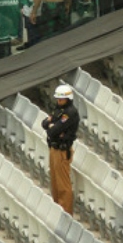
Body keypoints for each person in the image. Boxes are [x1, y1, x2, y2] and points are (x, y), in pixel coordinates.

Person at [43, 84, 80, 214]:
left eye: (61, 99)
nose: (59, 101)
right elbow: (45, 124)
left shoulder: (70, 113)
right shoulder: (58, 110)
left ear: (68, 99)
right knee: (54, 182)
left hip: (62, 151)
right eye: (58, 99)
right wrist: (51, 125)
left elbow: (53, 130)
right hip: (54, 149)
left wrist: (52, 125)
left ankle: (66, 213)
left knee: (63, 185)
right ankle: (58, 209)